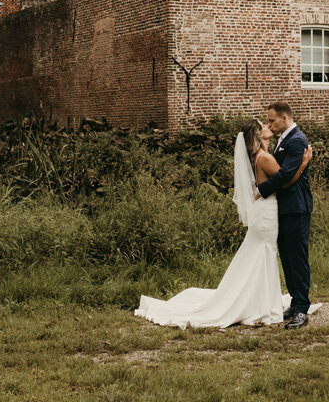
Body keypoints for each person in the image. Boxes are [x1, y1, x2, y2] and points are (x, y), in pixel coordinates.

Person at [133, 118, 313, 328]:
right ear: (257, 135)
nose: (268, 126)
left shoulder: (257, 155)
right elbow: (285, 180)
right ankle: (263, 304)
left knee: (262, 254)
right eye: (263, 125)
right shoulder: (264, 157)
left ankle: (263, 302)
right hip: (267, 213)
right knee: (265, 254)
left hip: (264, 212)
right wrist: (303, 163)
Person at [254, 101, 314, 329]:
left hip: (297, 208)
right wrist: (266, 141)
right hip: (284, 208)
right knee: (288, 258)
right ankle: (295, 301)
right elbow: (274, 167)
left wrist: (262, 190)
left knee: (297, 258)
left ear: (285, 119)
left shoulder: (297, 141)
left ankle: (301, 309)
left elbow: (286, 176)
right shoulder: (284, 139)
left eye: (271, 121)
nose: (268, 124)